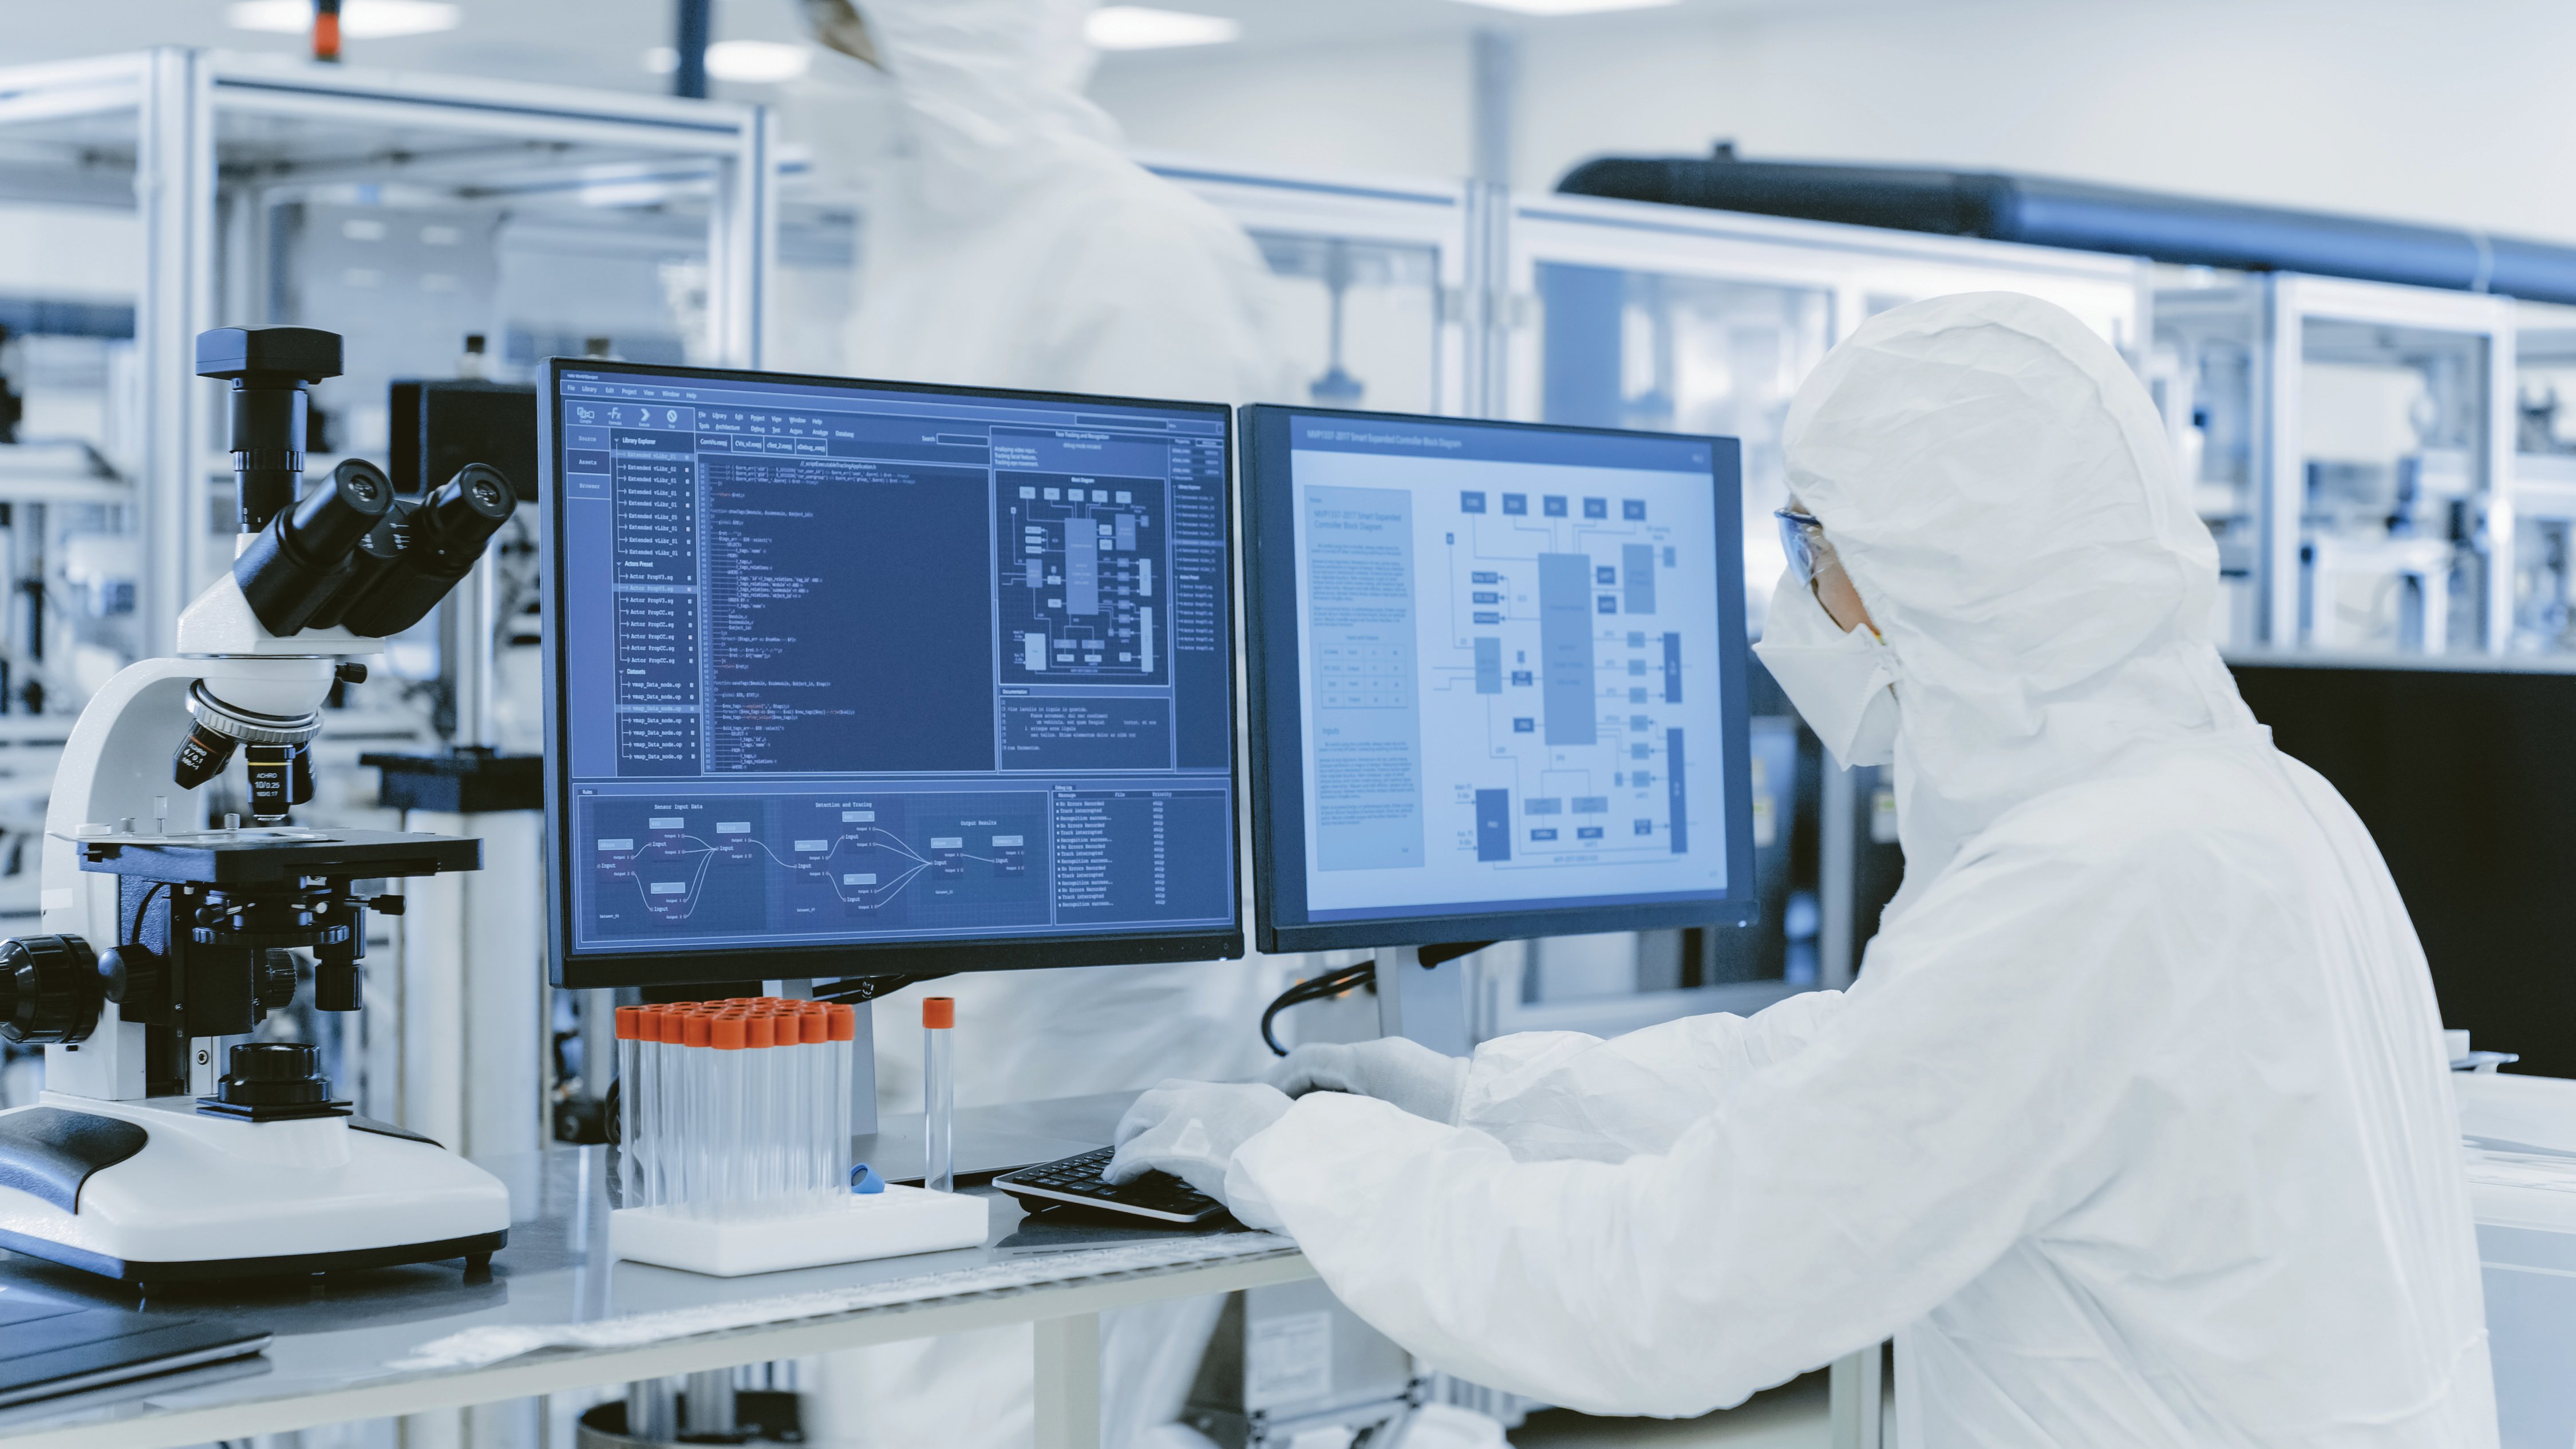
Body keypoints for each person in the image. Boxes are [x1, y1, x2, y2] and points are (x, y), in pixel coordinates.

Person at [1111, 291, 2498, 1446]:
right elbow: (1863, 1076)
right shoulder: (2243, 807)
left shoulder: (2092, 885)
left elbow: (1662, 1298)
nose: (1796, 602)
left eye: (1817, 548)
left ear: (1948, 578)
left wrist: (1296, 1158)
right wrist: (1492, 1099)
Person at [777, 3, 1302, 1446]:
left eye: (847, 33)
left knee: (1019, 1399)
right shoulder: (917, 251)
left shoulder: (1127, 253)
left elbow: (1176, 623)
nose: (823, 68)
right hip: (930, 941)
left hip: (1092, 958)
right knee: (905, 1376)